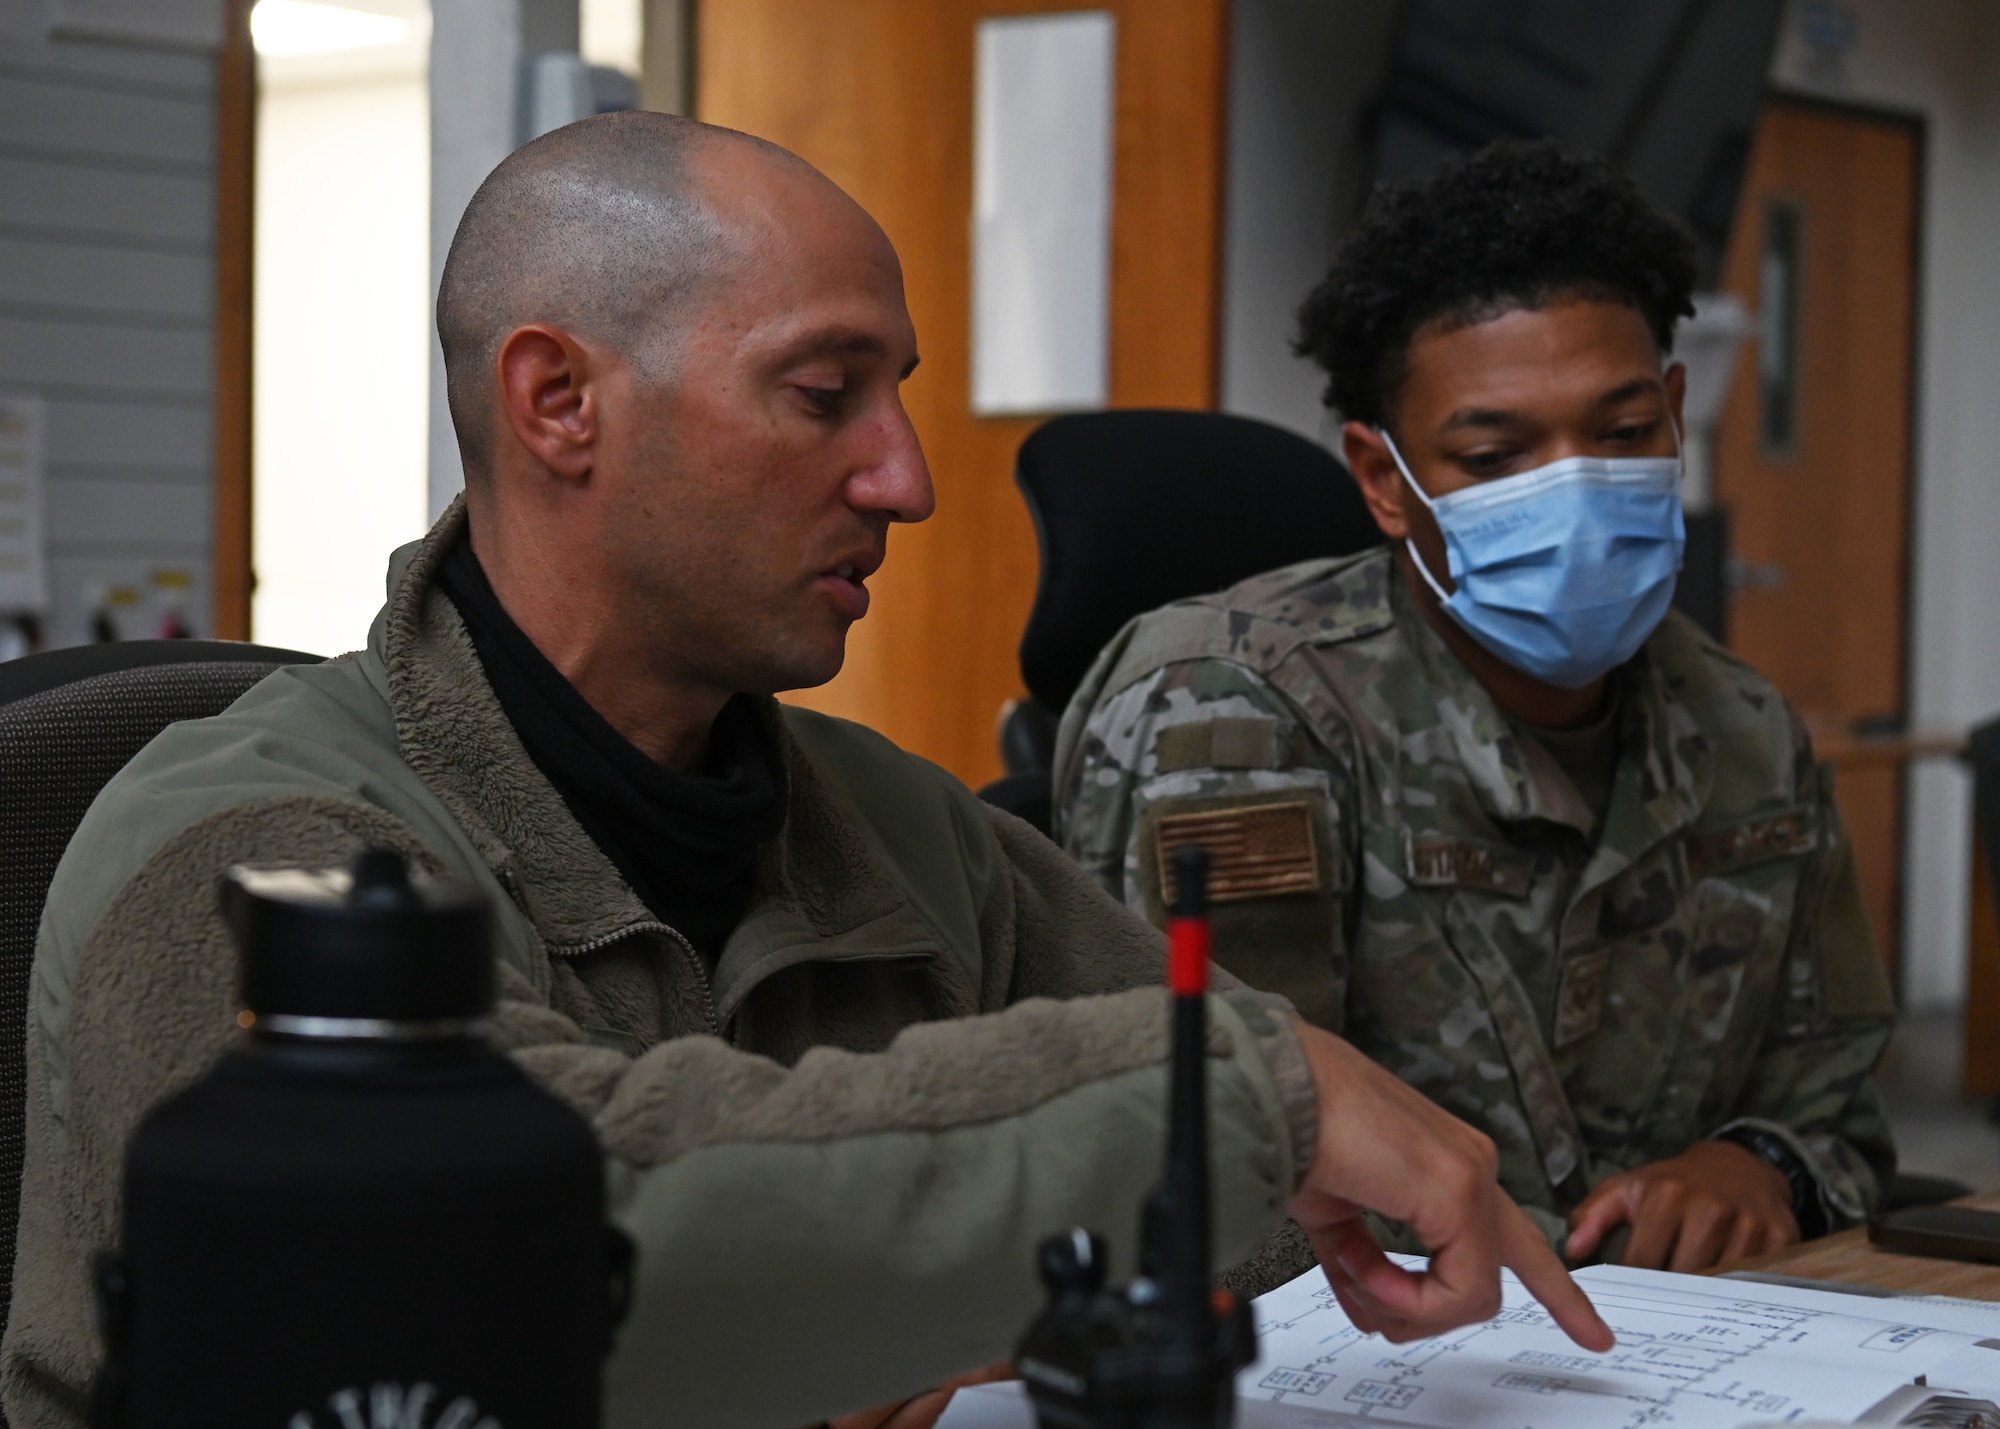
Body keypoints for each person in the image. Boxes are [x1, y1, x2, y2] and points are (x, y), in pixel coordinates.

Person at [2, 116, 1612, 1429]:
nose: (905, 477)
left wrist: (1011, 1300)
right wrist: (1232, 1098)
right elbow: (499, 1259)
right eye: (825, 393)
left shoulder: (904, 832)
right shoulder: (244, 853)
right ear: (559, 402)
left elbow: (1281, 1214)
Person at [1055, 139, 1896, 1280]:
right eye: (1495, 453)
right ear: (1383, 480)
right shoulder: (1235, 714)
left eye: (1620, 433)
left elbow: (1840, 1111)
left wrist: (1759, 1168)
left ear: (1676, 411)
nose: (1576, 489)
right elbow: (1207, 1149)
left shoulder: (1744, 728)